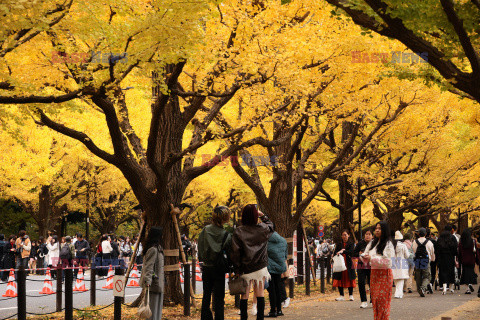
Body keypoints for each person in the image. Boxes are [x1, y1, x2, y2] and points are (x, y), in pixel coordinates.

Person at [231, 204, 274, 320]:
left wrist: (237, 269)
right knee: (260, 294)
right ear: (256, 216)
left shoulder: (238, 232)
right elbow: (271, 225)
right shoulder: (262, 229)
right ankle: (260, 318)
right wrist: (263, 215)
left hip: (245, 267)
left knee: (244, 295)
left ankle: (244, 318)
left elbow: (235, 253)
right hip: (260, 267)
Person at [198, 205, 232, 320]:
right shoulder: (226, 235)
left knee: (206, 295)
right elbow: (229, 251)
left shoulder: (205, 230)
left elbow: (200, 247)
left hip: (207, 267)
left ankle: (205, 318)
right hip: (219, 268)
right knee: (219, 298)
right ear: (225, 218)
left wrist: (203, 259)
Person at [361, 221, 395, 320]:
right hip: (374, 274)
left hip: (384, 274)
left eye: (379, 228)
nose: (377, 230)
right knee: (375, 300)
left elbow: (388, 262)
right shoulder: (372, 242)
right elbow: (366, 255)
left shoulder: (388, 244)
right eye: (376, 228)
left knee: (382, 301)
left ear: (384, 230)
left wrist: (371, 258)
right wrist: (363, 257)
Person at [139, 227, 164, 320]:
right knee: (152, 310)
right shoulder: (153, 250)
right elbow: (148, 267)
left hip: (158, 283)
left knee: (156, 309)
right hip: (153, 284)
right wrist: (148, 282)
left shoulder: (157, 248)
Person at [265, 226, 288, 317]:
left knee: (271, 289)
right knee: (278, 288)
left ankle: (272, 310)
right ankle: (279, 310)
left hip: (269, 267)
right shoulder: (283, 240)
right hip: (280, 267)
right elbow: (285, 255)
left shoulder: (265, 241)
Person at [333, 230, 356, 301]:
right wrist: (338, 253)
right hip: (340, 263)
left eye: (345, 235)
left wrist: (343, 251)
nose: (344, 236)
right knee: (340, 278)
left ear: (348, 235)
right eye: (343, 235)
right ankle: (341, 295)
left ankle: (351, 295)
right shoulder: (339, 244)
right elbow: (335, 252)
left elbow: (352, 252)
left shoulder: (351, 243)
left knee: (349, 278)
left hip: (348, 263)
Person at [412, 227, 435, 296]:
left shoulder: (414, 242)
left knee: (418, 276)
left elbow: (414, 251)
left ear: (418, 234)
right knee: (427, 276)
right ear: (425, 234)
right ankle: (423, 288)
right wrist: (432, 259)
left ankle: (419, 290)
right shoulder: (429, 242)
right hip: (425, 260)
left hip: (417, 260)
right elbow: (432, 252)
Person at [354, 228, 372, 308]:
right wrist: (359, 253)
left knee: (372, 283)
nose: (367, 236)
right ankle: (363, 301)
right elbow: (354, 253)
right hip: (361, 265)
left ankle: (372, 300)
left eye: (369, 234)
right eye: (366, 234)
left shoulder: (374, 243)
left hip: (371, 265)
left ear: (372, 235)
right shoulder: (360, 243)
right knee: (361, 283)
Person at [436, 228, 457, 294]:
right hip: (450, 257)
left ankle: (444, 288)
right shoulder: (452, 237)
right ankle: (451, 287)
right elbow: (455, 247)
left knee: (443, 272)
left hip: (442, 257)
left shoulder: (440, 238)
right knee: (451, 271)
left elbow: (437, 248)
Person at [458, 229, 478, 294]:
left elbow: (459, 252)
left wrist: (459, 260)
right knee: (471, 272)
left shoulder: (461, 242)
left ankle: (467, 289)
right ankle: (470, 284)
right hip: (471, 259)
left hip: (464, 259)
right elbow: (475, 251)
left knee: (465, 273)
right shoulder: (473, 241)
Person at [392, 231, 410, 299]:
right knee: (401, 278)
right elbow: (407, 255)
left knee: (396, 278)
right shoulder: (403, 245)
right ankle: (398, 293)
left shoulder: (392, 246)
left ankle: (399, 293)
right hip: (402, 262)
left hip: (394, 262)